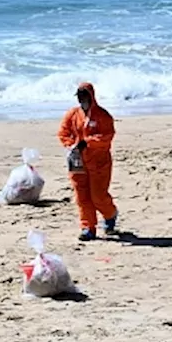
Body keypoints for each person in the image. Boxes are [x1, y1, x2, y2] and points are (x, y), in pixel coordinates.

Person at [57, 82, 118, 241]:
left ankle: (110, 213)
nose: (82, 99)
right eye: (79, 96)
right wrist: (72, 145)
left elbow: (107, 136)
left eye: (85, 95)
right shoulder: (72, 115)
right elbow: (63, 133)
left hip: (98, 161)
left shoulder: (103, 116)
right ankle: (88, 227)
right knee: (82, 196)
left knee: (98, 196)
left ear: (91, 96)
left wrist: (88, 142)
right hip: (77, 160)